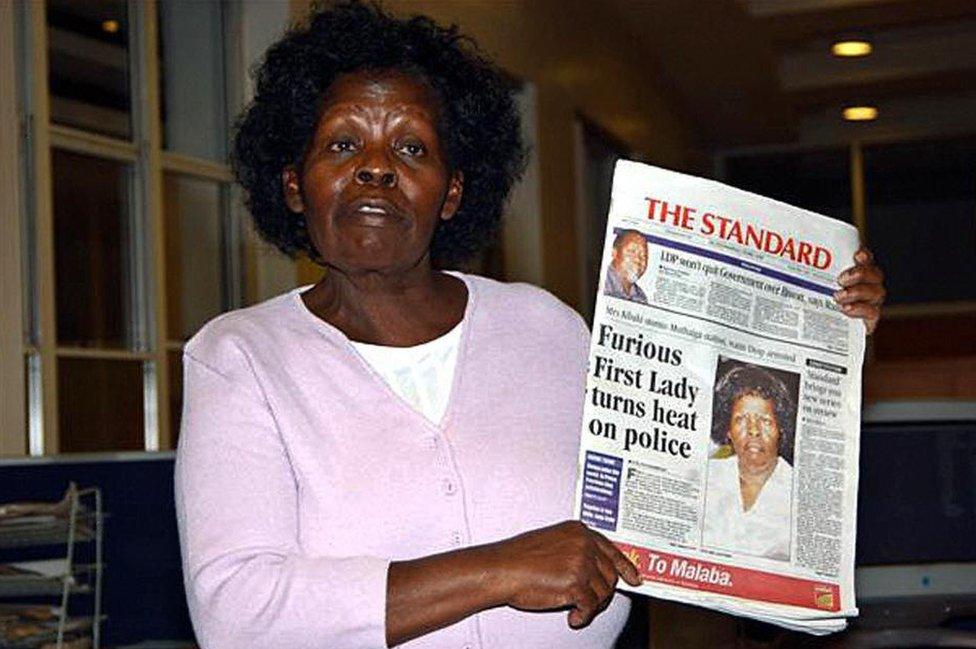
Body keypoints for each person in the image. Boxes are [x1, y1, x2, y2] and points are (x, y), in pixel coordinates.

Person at [174, 3, 886, 648]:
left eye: (412, 148)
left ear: (453, 193)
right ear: (295, 185)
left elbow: (694, 476)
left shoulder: (547, 329)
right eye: (341, 145)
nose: (376, 171)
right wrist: (501, 568)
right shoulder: (240, 358)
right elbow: (236, 609)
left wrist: (827, 337)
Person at [702, 363, 797, 560]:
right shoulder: (705, 475)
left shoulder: (797, 491)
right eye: (741, 419)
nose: (754, 430)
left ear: (780, 429)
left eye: (765, 420)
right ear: (728, 430)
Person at [604, 229, 650, 303]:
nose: (638, 260)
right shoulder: (602, 282)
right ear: (614, 253)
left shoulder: (641, 297)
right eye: (632, 252)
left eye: (643, 256)